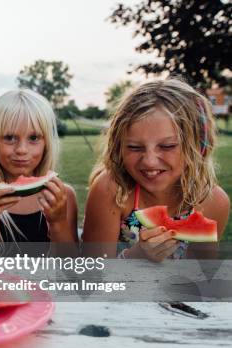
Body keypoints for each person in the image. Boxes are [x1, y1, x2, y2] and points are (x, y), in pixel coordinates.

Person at [83, 78, 229, 261]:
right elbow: (91, 279)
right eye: (134, 147)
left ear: (197, 146)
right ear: (118, 147)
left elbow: (200, 280)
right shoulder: (111, 190)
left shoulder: (213, 202)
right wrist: (134, 258)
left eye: (167, 146)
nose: (150, 162)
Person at [0, 89, 78, 256]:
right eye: (9, 138)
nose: (22, 150)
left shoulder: (62, 195)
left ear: (46, 143)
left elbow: (72, 269)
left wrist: (58, 222)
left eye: (33, 138)